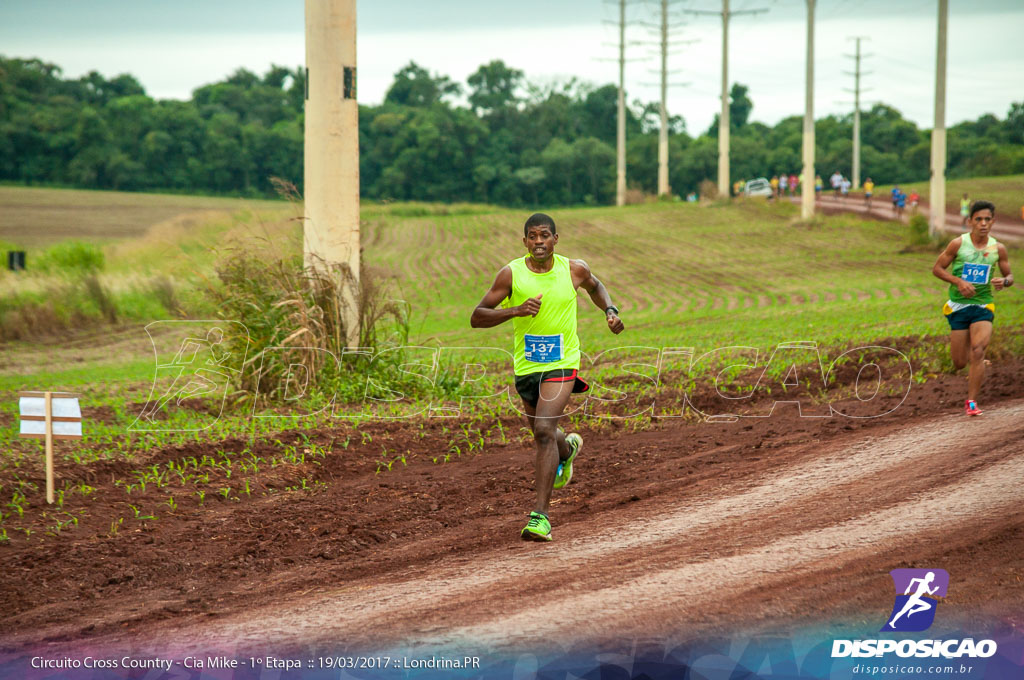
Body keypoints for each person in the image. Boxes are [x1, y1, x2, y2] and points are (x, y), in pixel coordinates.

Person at [471, 213, 625, 541]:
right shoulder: (511, 274)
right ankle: (567, 450)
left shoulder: (574, 270)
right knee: (546, 433)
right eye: (532, 236)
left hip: (563, 363)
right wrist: (514, 310)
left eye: (545, 236)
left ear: (556, 239)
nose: (539, 241)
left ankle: (540, 517)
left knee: (543, 430)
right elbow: (477, 317)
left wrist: (610, 311)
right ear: (524, 241)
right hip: (527, 368)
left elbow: (597, 287)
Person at [931, 200, 1013, 416]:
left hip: (983, 304)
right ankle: (976, 359)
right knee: (959, 363)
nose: (983, 224)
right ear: (970, 222)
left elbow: (1009, 275)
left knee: (978, 350)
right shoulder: (958, 244)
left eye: (987, 219)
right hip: (958, 306)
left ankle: (971, 402)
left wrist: (1004, 282)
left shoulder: (998, 248)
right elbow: (937, 269)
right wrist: (958, 282)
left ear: (993, 222)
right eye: (979, 219)